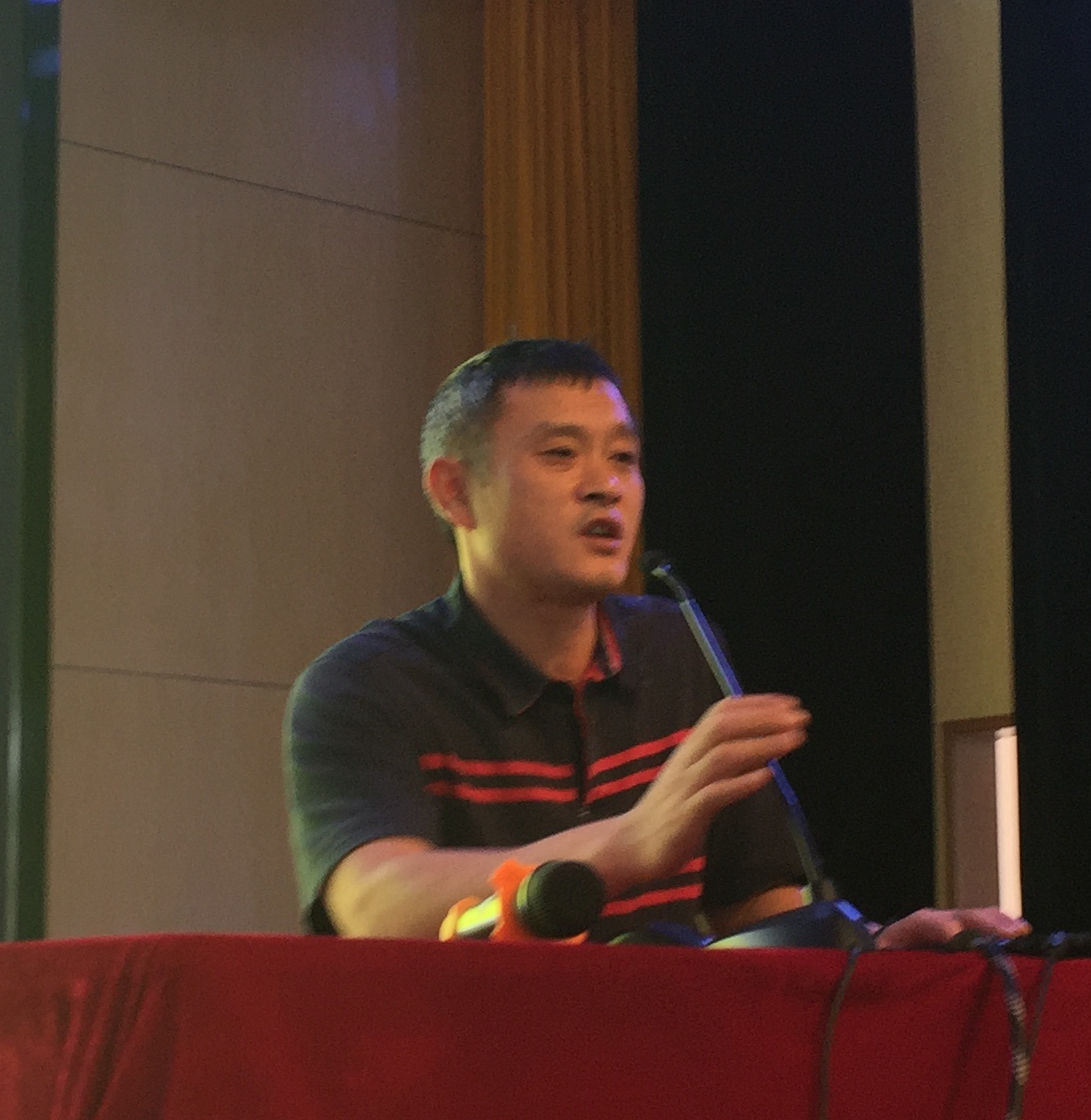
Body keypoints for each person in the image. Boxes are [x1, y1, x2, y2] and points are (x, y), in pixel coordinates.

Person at [284, 338, 1023, 948]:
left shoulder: (676, 647)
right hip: (465, 1069)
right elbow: (376, 905)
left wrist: (872, 955)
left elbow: (757, 921)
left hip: (663, 1061)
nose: (604, 486)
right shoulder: (369, 683)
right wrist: (630, 846)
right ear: (453, 491)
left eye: (624, 459)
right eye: (561, 454)